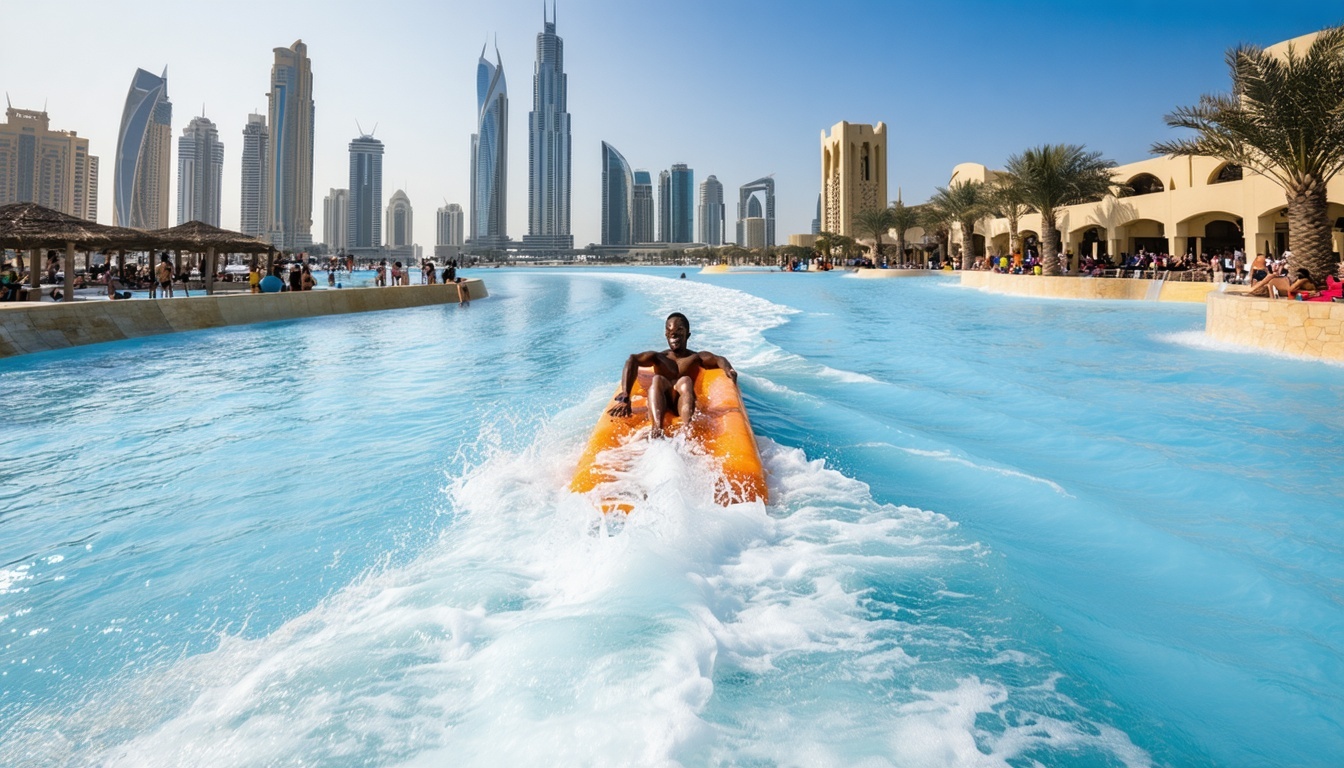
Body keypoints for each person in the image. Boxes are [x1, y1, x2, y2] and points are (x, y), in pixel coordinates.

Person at [607, 312, 737, 439]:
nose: (673, 333)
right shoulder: (659, 357)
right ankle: (657, 429)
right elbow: (632, 360)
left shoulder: (695, 357)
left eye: (679, 329)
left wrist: (728, 369)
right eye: (669, 330)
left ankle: (687, 430)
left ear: (688, 334)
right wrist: (626, 395)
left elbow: (719, 359)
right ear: (666, 334)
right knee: (657, 379)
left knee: (685, 380)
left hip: (683, 402)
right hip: (662, 402)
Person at [1246, 268, 1315, 298]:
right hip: (1287, 283)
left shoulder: (1270, 285)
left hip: (1287, 283)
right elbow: (1291, 290)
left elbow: (1290, 290)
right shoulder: (1270, 285)